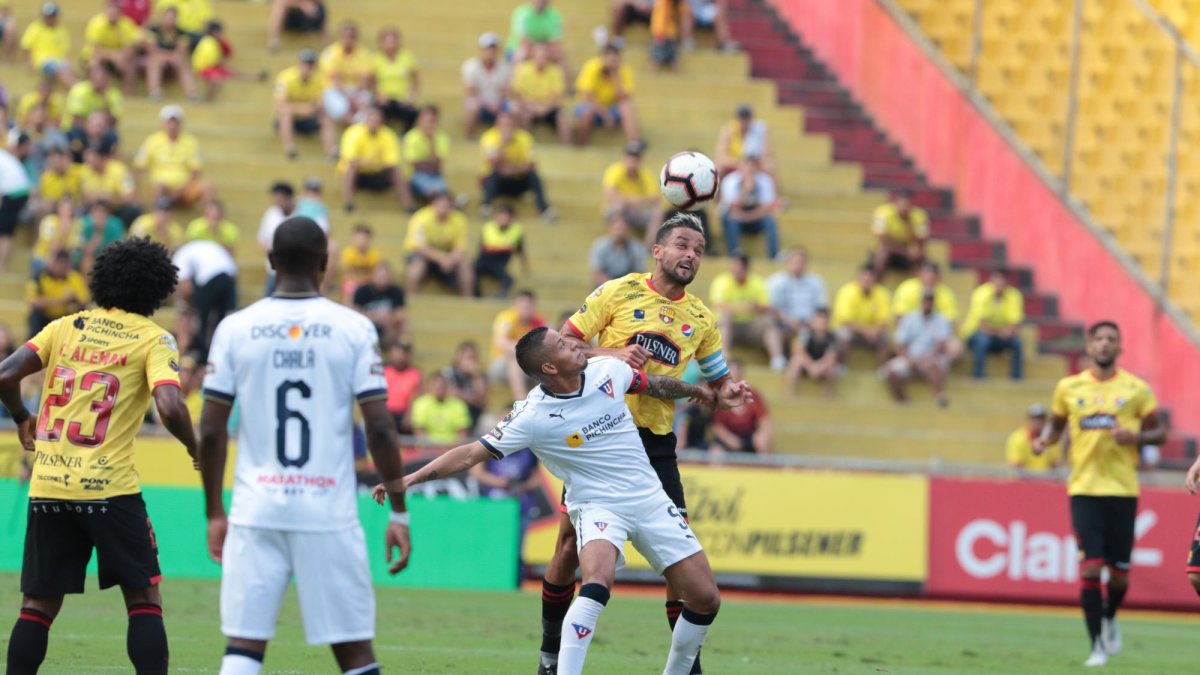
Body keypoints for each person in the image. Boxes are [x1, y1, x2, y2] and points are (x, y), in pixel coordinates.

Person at [385, 326, 745, 675]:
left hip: (649, 498)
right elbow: (468, 454)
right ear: (549, 367)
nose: (576, 344)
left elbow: (655, 385)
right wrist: (411, 478)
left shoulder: (608, 370)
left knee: (705, 598)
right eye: (562, 344)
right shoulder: (532, 415)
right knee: (597, 582)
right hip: (596, 505)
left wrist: (702, 392)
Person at [197, 217, 411, 675]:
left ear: (271, 261)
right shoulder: (354, 328)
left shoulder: (235, 328)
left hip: (256, 509)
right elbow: (379, 428)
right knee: (354, 650)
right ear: (325, 263)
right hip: (327, 511)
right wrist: (398, 511)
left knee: (243, 645)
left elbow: (211, 431)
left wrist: (214, 511)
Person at [548, 212, 739, 675]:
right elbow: (561, 346)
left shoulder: (701, 318)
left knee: (680, 558)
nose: (690, 254)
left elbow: (719, 378)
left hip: (656, 445)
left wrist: (729, 390)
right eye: (681, 245)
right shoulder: (618, 291)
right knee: (569, 548)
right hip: (601, 438)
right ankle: (549, 656)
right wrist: (612, 353)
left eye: (698, 249)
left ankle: (687, 666)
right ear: (657, 251)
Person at [0, 237, 196, 675]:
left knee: (38, 605)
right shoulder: (154, 339)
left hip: (50, 484)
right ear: (157, 288)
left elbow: (5, 374)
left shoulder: (64, 327)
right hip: (110, 489)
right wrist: (194, 446)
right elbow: (170, 407)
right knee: (143, 597)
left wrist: (21, 417)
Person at [1033, 321, 1165, 667]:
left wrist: (1137, 437)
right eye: (1099, 339)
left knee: (1119, 575)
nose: (1105, 344)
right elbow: (1056, 424)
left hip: (1122, 490)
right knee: (1091, 568)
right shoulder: (1069, 387)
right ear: (1089, 347)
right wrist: (1044, 440)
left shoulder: (1136, 389)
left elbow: (1161, 432)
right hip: (1084, 488)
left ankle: (1109, 616)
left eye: (1111, 339)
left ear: (1119, 348)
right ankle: (1096, 647)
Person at [709, 253, 787, 371]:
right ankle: (724, 355)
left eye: (737, 266)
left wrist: (743, 308)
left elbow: (766, 306)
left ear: (746, 268)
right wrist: (748, 307)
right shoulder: (722, 281)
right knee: (724, 318)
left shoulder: (758, 282)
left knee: (768, 321)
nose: (734, 270)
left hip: (751, 325)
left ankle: (777, 360)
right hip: (730, 326)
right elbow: (720, 306)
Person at [481, 110, 555, 222]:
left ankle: (544, 210)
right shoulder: (489, 138)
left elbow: (531, 164)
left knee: (533, 176)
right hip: (498, 182)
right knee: (493, 175)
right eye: (503, 125)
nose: (506, 128)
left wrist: (509, 169)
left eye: (509, 125)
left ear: (515, 125)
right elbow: (493, 163)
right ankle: (486, 207)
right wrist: (503, 144)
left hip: (518, 180)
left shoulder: (525, 138)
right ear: (497, 124)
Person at [337, 105, 413, 213]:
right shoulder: (353, 133)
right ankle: (348, 202)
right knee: (350, 169)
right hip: (359, 174)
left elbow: (391, 162)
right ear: (365, 120)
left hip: (378, 173)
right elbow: (350, 160)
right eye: (372, 120)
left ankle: (408, 205)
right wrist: (372, 161)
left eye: (377, 121)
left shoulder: (388, 135)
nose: (374, 123)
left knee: (395, 171)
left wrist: (368, 162)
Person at [884, 291, 954, 406]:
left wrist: (929, 357)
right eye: (925, 300)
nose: (927, 303)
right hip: (910, 357)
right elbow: (900, 344)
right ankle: (903, 402)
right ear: (921, 302)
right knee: (891, 371)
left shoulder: (941, 320)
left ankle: (939, 395)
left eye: (930, 301)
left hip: (930, 358)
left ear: (933, 303)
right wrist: (908, 359)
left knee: (933, 365)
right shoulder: (909, 319)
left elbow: (943, 344)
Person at [173, 238, 237, 359]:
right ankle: (222, 351)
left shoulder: (180, 255)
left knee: (201, 317)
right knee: (223, 319)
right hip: (230, 275)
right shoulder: (199, 247)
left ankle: (201, 352)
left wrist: (186, 305)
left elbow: (186, 287)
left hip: (209, 276)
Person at [133, 105, 207, 207]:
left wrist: (183, 187)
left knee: (206, 188)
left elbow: (195, 169)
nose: (173, 125)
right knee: (158, 187)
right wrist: (136, 191)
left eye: (176, 121)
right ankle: (159, 213)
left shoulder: (190, 142)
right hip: (163, 187)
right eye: (170, 121)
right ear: (163, 123)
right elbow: (139, 166)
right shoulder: (152, 141)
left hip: (185, 187)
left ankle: (209, 216)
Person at [404, 191, 472, 296]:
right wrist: (441, 259)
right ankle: (411, 296)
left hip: (448, 256)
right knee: (418, 263)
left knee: (464, 263)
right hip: (424, 255)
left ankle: (468, 298)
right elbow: (419, 247)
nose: (443, 209)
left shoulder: (459, 219)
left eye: (447, 206)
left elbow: (460, 246)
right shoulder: (421, 217)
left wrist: (450, 259)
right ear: (432, 205)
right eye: (440, 205)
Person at [892, 261, 961, 361]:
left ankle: (939, 363)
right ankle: (909, 362)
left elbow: (950, 322)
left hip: (936, 335)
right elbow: (900, 318)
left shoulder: (946, 293)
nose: (929, 279)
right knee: (898, 341)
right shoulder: (907, 289)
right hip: (912, 332)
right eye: (927, 275)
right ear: (919, 275)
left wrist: (937, 337)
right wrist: (917, 332)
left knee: (955, 347)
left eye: (932, 276)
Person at [274, 49, 336, 160]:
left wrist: (312, 108)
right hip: (292, 117)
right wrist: (302, 109)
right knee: (286, 115)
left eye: (310, 64)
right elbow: (280, 105)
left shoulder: (319, 80)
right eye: (305, 64)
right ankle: (290, 148)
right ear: (299, 64)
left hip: (308, 116)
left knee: (325, 116)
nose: (307, 67)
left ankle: (330, 150)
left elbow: (321, 103)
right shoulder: (285, 77)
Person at [962, 268, 1025, 380]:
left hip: (999, 336)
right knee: (982, 340)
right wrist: (1001, 332)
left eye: (1002, 280)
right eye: (997, 280)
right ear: (991, 280)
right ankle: (978, 375)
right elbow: (982, 326)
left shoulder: (1014, 295)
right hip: (976, 335)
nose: (999, 283)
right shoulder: (981, 294)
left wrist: (1006, 332)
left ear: (1007, 282)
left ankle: (1016, 377)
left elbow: (1015, 322)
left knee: (1017, 342)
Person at [574, 41, 639, 146]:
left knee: (627, 107)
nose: (613, 59)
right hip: (591, 106)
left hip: (612, 108)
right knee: (587, 112)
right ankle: (581, 146)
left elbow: (624, 98)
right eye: (610, 55)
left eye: (616, 56)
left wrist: (615, 75)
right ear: (603, 57)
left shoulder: (624, 71)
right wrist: (605, 115)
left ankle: (633, 145)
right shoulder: (592, 66)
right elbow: (588, 97)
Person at [718, 154, 779, 258]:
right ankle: (734, 255)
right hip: (735, 219)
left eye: (753, 166)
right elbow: (732, 209)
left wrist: (746, 217)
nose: (750, 169)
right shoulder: (730, 181)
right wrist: (745, 190)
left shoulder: (765, 181)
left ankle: (774, 256)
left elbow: (767, 209)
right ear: (740, 167)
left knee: (770, 221)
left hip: (753, 218)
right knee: (730, 220)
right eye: (747, 166)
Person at [602, 140, 663, 242]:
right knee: (619, 204)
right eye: (630, 156)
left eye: (636, 157)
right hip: (618, 210)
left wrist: (637, 202)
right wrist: (633, 201)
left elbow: (655, 198)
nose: (632, 160)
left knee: (658, 210)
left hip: (638, 211)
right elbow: (609, 193)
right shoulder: (615, 170)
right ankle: (617, 242)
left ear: (641, 159)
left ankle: (648, 245)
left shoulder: (645, 174)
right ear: (624, 157)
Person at [831, 265, 892, 366]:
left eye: (870, 279)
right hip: (854, 332)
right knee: (843, 335)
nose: (867, 281)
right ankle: (842, 366)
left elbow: (884, 321)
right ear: (858, 278)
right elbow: (846, 321)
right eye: (864, 278)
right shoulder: (847, 292)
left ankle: (883, 369)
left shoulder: (882, 293)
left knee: (885, 337)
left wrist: (873, 331)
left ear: (875, 279)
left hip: (873, 334)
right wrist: (867, 331)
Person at [491, 290, 546, 401]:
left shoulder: (540, 321)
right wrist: (527, 351)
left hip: (530, 365)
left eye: (528, 305)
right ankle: (521, 399)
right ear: (515, 304)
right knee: (516, 357)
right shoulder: (506, 318)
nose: (525, 307)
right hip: (502, 365)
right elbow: (501, 342)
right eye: (522, 304)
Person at [511, 43, 570, 144]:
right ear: (533, 57)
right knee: (522, 116)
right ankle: (524, 145)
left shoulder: (555, 71)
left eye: (544, 57)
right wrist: (532, 106)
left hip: (548, 108)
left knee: (562, 118)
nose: (541, 59)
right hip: (528, 107)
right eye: (539, 56)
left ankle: (567, 147)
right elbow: (519, 94)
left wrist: (544, 108)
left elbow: (556, 96)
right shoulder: (523, 70)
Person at [767, 248, 827, 345]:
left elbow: (822, 307)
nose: (798, 266)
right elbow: (772, 308)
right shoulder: (776, 281)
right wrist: (790, 322)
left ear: (807, 264)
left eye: (801, 262)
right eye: (795, 262)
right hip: (783, 323)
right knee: (772, 330)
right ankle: (779, 355)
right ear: (787, 263)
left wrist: (812, 323)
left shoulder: (816, 282)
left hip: (810, 325)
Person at [709, 360, 769, 455]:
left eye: (737, 373)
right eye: (731, 375)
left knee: (762, 440)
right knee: (715, 452)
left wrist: (762, 434)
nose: (735, 378)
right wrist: (729, 439)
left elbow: (764, 420)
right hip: (728, 436)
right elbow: (716, 425)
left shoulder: (753, 395)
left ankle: (766, 464)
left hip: (750, 436)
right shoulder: (720, 396)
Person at [319, 21, 372, 125]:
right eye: (345, 37)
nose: (348, 40)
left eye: (351, 37)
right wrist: (350, 99)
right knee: (342, 107)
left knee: (365, 103)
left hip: (357, 89)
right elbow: (335, 80)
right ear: (340, 37)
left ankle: (358, 125)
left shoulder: (364, 54)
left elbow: (364, 79)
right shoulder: (330, 53)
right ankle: (354, 126)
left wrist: (355, 95)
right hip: (335, 89)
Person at [25, 249, 88, 337]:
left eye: (65, 265)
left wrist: (74, 299)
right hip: (45, 316)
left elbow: (84, 301)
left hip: (65, 317)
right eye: (60, 264)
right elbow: (33, 302)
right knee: (34, 317)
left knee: (81, 317)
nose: (62, 268)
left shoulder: (75, 277)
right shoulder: (39, 277)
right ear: (53, 263)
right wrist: (62, 301)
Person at [82, 1, 144, 90]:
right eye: (111, 9)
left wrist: (123, 57)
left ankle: (128, 95)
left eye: (117, 9)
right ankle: (94, 92)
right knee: (95, 62)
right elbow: (97, 50)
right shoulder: (97, 24)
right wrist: (115, 56)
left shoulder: (126, 24)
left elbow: (131, 47)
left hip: (117, 58)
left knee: (130, 64)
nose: (114, 12)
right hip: (97, 57)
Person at [461, 32, 511, 138]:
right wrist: (486, 104)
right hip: (480, 103)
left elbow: (505, 90)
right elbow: (471, 91)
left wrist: (498, 103)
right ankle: (469, 138)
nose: (490, 52)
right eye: (488, 49)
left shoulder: (504, 68)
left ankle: (513, 139)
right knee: (472, 106)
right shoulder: (471, 66)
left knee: (514, 109)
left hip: (498, 103)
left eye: (493, 49)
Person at [871, 188, 928, 277]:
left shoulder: (919, 216)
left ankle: (921, 283)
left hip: (907, 250)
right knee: (882, 256)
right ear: (895, 203)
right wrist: (905, 251)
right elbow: (882, 240)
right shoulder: (882, 213)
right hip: (888, 249)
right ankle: (876, 283)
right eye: (902, 204)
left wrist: (916, 250)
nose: (904, 208)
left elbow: (922, 239)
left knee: (920, 257)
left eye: (907, 205)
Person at [371, 26, 419, 132]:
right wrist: (378, 95)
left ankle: (405, 135)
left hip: (402, 99)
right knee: (379, 111)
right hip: (384, 99)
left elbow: (415, 80)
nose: (391, 45)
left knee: (412, 113)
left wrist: (411, 97)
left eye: (393, 41)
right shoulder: (376, 59)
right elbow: (372, 82)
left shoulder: (407, 58)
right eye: (387, 42)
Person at [474, 205, 528, 297]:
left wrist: (525, 268)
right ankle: (476, 294)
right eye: (501, 216)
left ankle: (502, 295)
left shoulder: (516, 230)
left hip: (500, 261)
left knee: (507, 279)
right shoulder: (488, 227)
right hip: (484, 259)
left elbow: (520, 250)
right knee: (470, 272)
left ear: (511, 219)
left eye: (506, 217)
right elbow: (481, 247)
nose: (503, 219)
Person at [80, 141, 139, 226]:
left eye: (92, 157)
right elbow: (86, 196)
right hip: (95, 208)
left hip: (116, 208)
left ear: (103, 158)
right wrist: (99, 196)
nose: (88, 160)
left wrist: (112, 199)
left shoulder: (119, 169)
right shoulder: (86, 170)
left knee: (132, 210)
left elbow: (130, 197)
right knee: (82, 211)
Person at [402, 105, 452, 203]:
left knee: (442, 191)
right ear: (419, 120)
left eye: (432, 121)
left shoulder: (442, 138)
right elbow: (413, 164)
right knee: (433, 191)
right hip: (415, 175)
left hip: (435, 174)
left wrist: (431, 142)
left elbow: (438, 163)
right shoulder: (411, 137)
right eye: (426, 121)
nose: (429, 124)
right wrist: (430, 163)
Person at [145, 7, 197, 100]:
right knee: (154, 61)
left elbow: (182, 51)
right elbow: (152, 50)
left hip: (174, 61)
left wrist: (169, 56)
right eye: (168, 17)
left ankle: (192, 93)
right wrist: (168, 56)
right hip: (159, 59)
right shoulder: (153, 30)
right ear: (162, 17)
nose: (170, 20)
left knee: (182, 62)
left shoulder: (181, 32)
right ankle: (154, 92)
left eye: (173, 18)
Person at [786, 307, 839, 397]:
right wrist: (811, 366)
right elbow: (798, 350)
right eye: (819, 319)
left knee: (832, 367)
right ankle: (790, 393)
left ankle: (827, 397)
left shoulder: (832, 337)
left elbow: (830, 356)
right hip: (806, 363)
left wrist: (819, 367)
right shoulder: (805, 332)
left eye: (824, 320)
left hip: (821, 366)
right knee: (795, 361)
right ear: (813, 321)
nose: (821, 323)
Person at [410, 372, 472, 447]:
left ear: (447, 387)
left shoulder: (459, 405)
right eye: (436, 387)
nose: (439, 390)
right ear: (429, 387)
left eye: (442, 387)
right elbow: (420, 433)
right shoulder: (420, 404)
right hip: (427, 449)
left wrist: (450, 450)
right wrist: (434, 449)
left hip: (452, 449)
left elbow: (462, 434)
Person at [21, 3, 73, 87]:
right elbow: (26, 47)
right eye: (48, 16)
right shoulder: (35, 28)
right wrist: (29, 64)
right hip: (42, 62)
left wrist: (68, 64)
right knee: (60, 70)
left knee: (66, 68)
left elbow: (65, 50)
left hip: (59, 61)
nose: (50, 19)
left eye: (52, 16)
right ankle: (73, 87)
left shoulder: (61, 30)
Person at [353, 262, 407, 341]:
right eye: (380, 277)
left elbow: (401, 314)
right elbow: (355, 313)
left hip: (388, 326)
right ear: (373, 276)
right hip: (367, 325)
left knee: (402, 325)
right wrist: (375, 316)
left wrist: (388, 318)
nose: (382, 280)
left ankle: (391, 345)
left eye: (385, 277)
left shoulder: (396, 291)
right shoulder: (362, 291)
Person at [714, 105, 773, 177]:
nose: (744, 122)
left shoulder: (759, 131)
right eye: (742, 118)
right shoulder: (729, 131)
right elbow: (721, 156)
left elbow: (766, 155)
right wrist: (739, 162)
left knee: (770, 166)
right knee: (719, 167)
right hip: (735, 165)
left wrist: (754, 163)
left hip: (754, 165)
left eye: (746, 118)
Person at [590, 211, 648, 285]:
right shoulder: (599, 245)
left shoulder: (636, 248)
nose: (620, 233)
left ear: (629, 230)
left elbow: (638, 273)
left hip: (627, 285)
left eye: (623, 229)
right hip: (604, 286)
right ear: (610, 228)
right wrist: (612, 286)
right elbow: (597, 273)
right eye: (617, 228)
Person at [443, 341, 489, 431]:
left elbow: (482, 402)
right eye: (467, 357)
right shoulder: (448, 373)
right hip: (451, 414)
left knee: (489, 422)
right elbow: (449, 394)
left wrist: (475, 375)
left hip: (474, 414)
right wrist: (471, 398)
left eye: (472, 358)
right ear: (458, 357)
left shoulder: (480, 376)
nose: (469, 362)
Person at [63, 65, 124, 132]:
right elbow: (76, 117)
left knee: (112, 134)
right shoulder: (79, 90)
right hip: (79, 127)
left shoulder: (114, 94)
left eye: (102, 78)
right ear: (90, 77)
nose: (99, 81)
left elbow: (114, 120)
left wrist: (105, 101)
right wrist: (90, 129)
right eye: (96, 77)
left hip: (103, 129)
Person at [0, 146, 31, 276]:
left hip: (13, 193)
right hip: (19, 191)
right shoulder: (3, 155)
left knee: (5, 231)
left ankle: (2, 267)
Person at [1006, 403, 1062, 474]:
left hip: (1047, 478)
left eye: (1040, 418)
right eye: (1034, 418)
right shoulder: (1018, 439)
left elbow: (1056, 465)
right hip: (1024, 479)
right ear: (1028, 420)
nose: (1037, 422)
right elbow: (1016, 467)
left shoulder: (1052, 439)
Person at [382, 340, 420, 434]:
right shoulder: (384, 371)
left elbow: (416, 397)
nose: (401, 355)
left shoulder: (414, 373)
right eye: (397, 351)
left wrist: (410, 414)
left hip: (405, 415)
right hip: (386, 413)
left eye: (404, 352)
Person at [78, 200, 125, 271]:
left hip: (109, 258)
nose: (99, 215)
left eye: (103, 212)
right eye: (97, 211)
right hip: (90, 259)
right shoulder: (84, 224)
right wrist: (98, 232)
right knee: (87, 260)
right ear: (91, 213)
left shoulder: (116, 225)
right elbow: (86, 252)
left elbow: (117, 249)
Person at [340, 223, 381, 300]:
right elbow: (347, 273)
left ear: (370, 240)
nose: (361, 241)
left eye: (364, 239)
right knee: (349, 286)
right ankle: (348, 306)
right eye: (359, 238)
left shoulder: (374, 255)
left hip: (368, 283)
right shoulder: (348, 253)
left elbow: (375, 274)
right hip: (353, 282)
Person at [650, 0, 692, 71]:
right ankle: (654, 70)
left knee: (672, 56)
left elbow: (684, 14)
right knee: (658, 55)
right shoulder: (664, 3)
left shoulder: (678, 4)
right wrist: (659, 32)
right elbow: (660, 17)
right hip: (662, 32)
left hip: (670, 33)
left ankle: (675, 70)